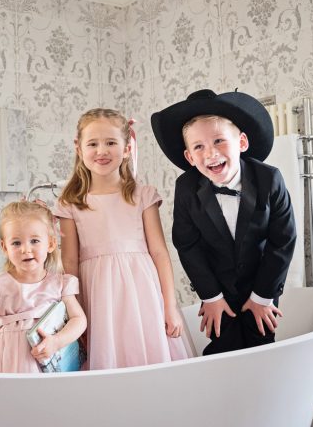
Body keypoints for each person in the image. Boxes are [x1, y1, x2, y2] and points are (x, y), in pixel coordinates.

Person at [151, 89, 296, 355]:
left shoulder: (269, 179)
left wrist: (263, 296)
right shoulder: (186, 187)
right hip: (217, 288)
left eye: (219, 141)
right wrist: (211, 297)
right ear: (189, 158)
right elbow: (187, 245)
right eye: (199, 147)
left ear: (241, 142)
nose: (211, 153)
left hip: (261, 283)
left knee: (261, 347)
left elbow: (283, 240)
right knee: (221, 348)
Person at [54, 108, 190, 370]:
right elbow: (69, 261)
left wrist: (170, 306)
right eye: (92, 143)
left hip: (143, 294)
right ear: (78, 148)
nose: (101, 151)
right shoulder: (70, 203)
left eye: (111, 143)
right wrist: (75, 312)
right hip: (97, 296)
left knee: (150, 360)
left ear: (127, 148)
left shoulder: (143, 195)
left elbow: (160, 253)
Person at [0, 200, 86, 388]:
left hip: (49, 356)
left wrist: (57, 342)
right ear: (5, 247)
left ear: (51, 243)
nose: (25, 249)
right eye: (16, 242)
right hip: (7, 359)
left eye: (34, 241)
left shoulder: (61, 283)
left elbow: (79, 319)